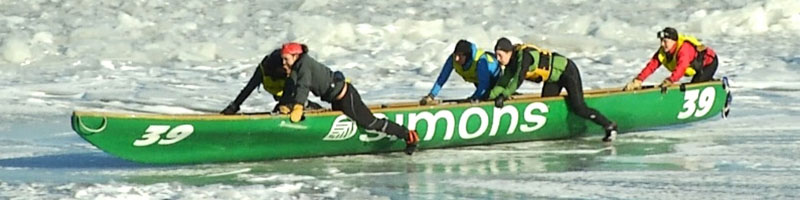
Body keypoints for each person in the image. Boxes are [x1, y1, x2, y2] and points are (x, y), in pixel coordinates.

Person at [278, 42, 419, 155]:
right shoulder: (296, 68)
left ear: (296, 56)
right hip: (335, 99)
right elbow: (292, 86)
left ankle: (408, 135)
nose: (283, 63)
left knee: (370, 122)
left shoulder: (304, 65)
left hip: (346, 97)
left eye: (286, 59)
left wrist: (298, 106)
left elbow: (303, 86)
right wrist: (283, 105)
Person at [491, 37, 618, 142]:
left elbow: (518, 79)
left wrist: (505, 95)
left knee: (578, 106)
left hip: (567, 72)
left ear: (509, 52)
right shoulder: (509, 65)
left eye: (500, 55)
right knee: (547, 106)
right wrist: (487, 97)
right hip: (553, 79)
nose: (498, 59)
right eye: (496, 55)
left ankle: (609, 125)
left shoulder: (524, 57)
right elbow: (502, 84)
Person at [221, 49, 322, 114]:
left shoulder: (292, 70)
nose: (287, 67)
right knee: (281, 107)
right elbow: (248, 89)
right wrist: (234, 106)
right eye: (284, 66)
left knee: (292, 102)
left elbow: (303, 88)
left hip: (295, 97)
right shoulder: (263, 70)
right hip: (282, 97)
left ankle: (314, 107)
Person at [624, 27, 719, 90]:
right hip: (696, 67)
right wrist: (638, 80)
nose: (662, 44)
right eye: (661, 41)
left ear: (674, 41)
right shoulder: (664, 51)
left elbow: (681, 67)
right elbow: (651, 66)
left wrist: (670, 80)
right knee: (695, 84)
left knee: (695, 87)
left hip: (708, 63)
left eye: (665, 41)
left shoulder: (684, 49)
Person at [420, 40, 500, 105]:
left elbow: (484, 85)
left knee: (485, 96)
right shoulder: (453, 59)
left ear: (468, 56)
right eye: (456, 55)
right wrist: (431, 95)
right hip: (480, 82)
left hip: (498, 80)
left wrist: (473, 99)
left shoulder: (480, 61)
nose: (457, 59)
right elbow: (442, 78)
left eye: (460, 55)